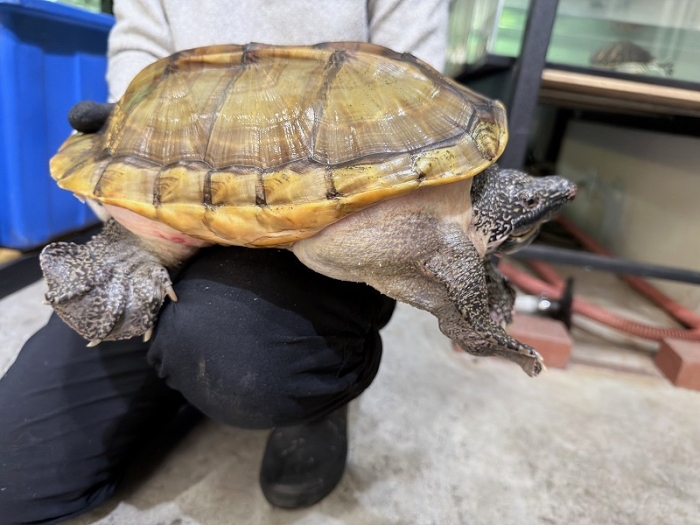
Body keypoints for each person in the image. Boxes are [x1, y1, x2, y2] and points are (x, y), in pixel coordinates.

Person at [0, 1, 447, 522]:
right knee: (16, 481)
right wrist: (128, 132)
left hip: (323, 204)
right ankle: (181, 361)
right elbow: (140, 43)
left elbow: (413, 86)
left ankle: (316, 388)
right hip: (173, 180)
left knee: (245, 365)